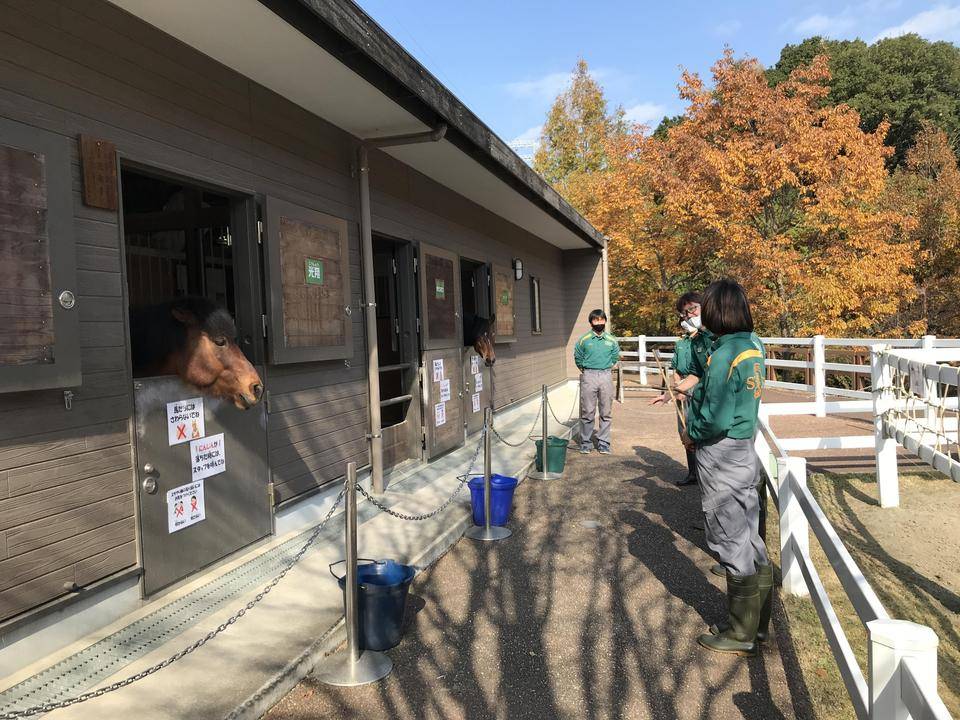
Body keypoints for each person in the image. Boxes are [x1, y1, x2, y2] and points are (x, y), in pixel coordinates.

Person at [681, 279, 771, 657]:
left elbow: (714, 416)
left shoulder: (723, 354)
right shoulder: (753, 346)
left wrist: (691, 433)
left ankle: (740, 632)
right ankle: (758, 625)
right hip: (745, 448)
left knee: (730, 536)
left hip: (721, 453)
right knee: (751, 536)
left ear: (718, 311)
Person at [652, 291, 712, 486]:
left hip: (711, 397)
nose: (689, 317)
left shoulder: (718, 336)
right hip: (687, 388)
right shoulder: (688, 343)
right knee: (686, 430)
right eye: (684, 314)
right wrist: (670, 394)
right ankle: (694, 473)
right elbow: (694, 373)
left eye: (692, 309)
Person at [574, 309, 620, 454]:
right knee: (588, 411)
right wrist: (586, 370)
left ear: (605, 321)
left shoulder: (611, 340)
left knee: (606, 411)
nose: (599, 322)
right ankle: (586, 443)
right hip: (589, 375)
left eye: (601, 320)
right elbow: (578, 357)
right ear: (591, 323)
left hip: (606, 375)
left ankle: (604, 443)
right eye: (596, 320)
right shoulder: (584, 339)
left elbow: (615, 357)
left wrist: (606, 367)